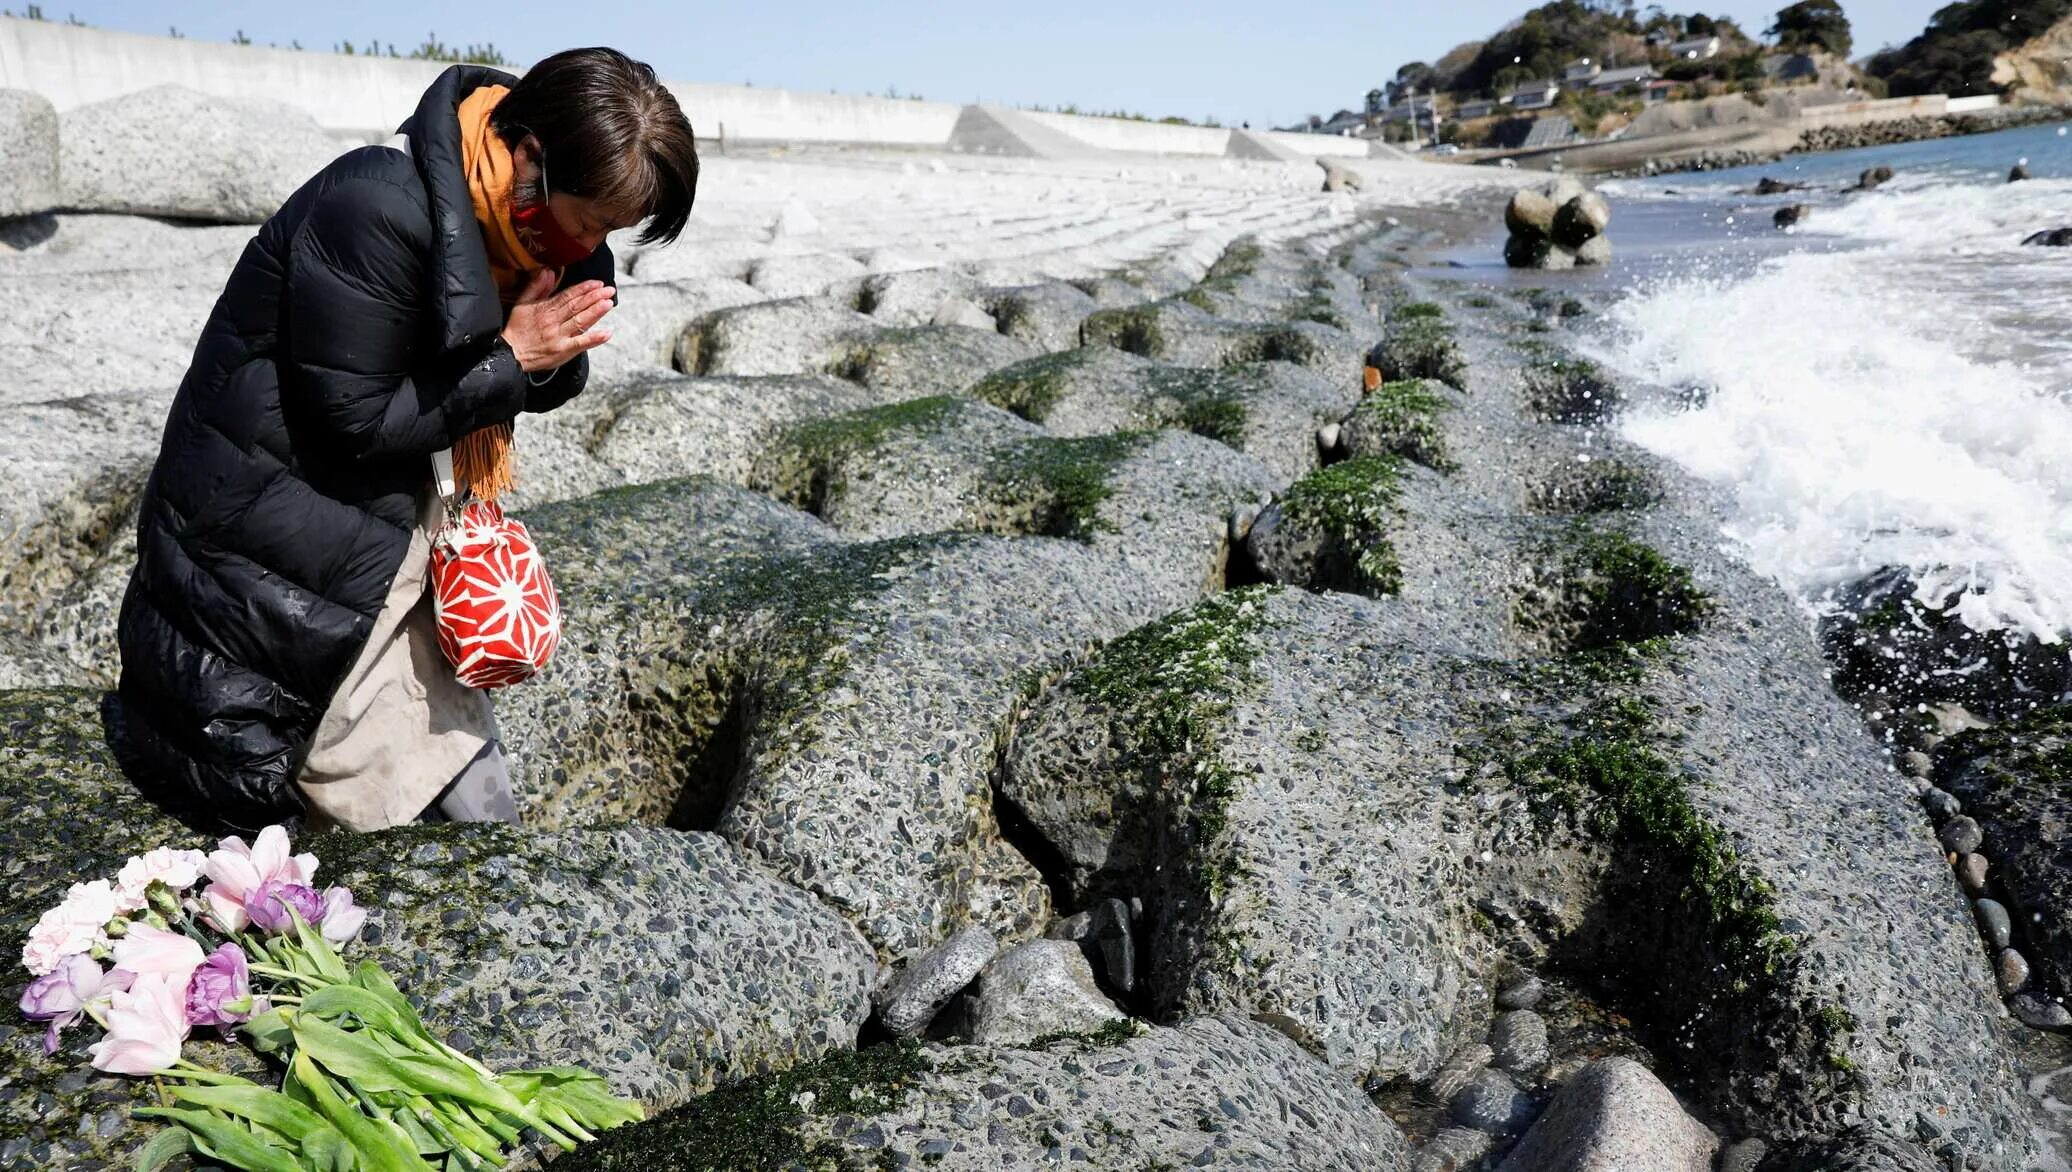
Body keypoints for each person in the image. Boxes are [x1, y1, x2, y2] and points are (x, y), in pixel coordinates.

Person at [105, 49, 699, 834]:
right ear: (529, 157)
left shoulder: (535, 234)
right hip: (270, 529)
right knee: (336, 762)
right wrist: (514, 357)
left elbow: (543, 380)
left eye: (614, 230)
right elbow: (354, 420)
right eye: (592, 220)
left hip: (387, 520)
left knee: (452, 764)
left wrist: (542, 355)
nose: (594, 243)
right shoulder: (375, 206)